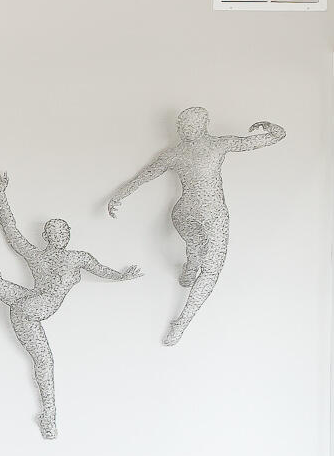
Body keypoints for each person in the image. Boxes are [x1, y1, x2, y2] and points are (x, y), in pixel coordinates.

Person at [0, 171, 141, 439]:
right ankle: (50, 418)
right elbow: (11, 231)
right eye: (53, 231)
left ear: (68, 234)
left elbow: (101, 269)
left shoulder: (70, 257)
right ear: (47, 235)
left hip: (26, 307)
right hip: (35, 308)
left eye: (62, 230)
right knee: (42, 359)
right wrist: (0, 193)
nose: (58, 234)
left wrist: (120, 276)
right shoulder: (53, 257)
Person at [107, 107, 286, 344]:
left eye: (188, 125)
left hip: (192, 214)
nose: (184, 130)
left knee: (202, 253)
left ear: (204, 124)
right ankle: (183, 312)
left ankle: (189, 279)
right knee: (210, 268)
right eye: (182, 126)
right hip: (198, 215)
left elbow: (274, 137)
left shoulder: (214, 145)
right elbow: (143, 176)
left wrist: (271, 127)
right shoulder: (184, 152)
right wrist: (118, 195)